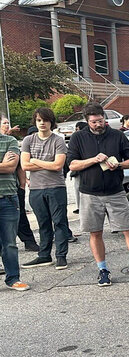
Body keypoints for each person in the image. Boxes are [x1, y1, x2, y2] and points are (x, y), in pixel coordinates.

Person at [67, 102, 129, 286]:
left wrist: (117, 164)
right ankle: (103, 270)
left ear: (105, 119)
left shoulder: (117, 136)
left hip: (115, 192)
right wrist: (94, 160)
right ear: (87, 121)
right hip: (89, 193)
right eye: (94, 122)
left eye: (100, 120)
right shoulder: (78, 137)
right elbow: (72, 165)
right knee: (95, 233)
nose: (98, 125)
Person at [20, 107, 71, 270]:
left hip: (56, 187)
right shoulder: (28, 140)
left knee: (59, 222)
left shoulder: (58, 140)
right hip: (36, 189)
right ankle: (44, 255)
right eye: (39, 120)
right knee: (43, 224)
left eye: (45, 120)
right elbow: (24, 165)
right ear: (35, 121)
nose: (42, 123)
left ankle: (61, 256)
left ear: (51, 122)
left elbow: (58, 166)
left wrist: (35, 161)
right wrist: (43, 163)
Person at [2, 117, 38, 252]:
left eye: (7, 123)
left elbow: (15, 166)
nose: (6, 125)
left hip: (13, 187)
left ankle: (29, 241)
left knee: (20, 216)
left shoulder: (10, 143)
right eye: (4, 123)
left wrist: (22, 184)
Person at [0, 125, 30, 290]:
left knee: (9, 243)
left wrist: (6, 165)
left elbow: (11, 167)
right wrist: (2, 164)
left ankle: (13, 278)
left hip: (8, 198)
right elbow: (4, 166)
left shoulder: (9, 140)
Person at [70, 121, 87, 215]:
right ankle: (79, 207)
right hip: (77, 170)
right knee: (77, 190)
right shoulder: (77, 139)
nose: (76, 131)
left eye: (77, 129)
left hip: (82, 170)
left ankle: (81, 208)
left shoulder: (81, 140)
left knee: (79, 190)